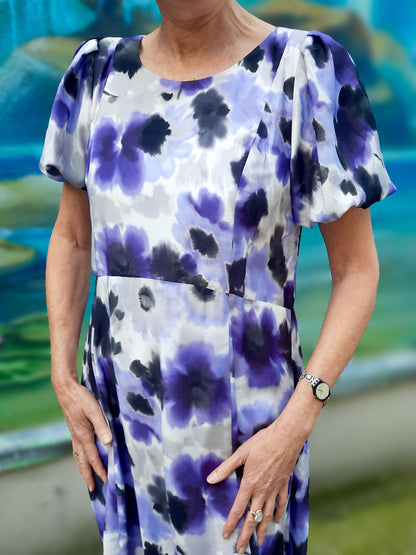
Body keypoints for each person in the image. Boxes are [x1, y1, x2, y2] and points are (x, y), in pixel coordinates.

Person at [39, 1, 395, 553]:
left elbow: (357, 271)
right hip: (125, 429)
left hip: (246, 436)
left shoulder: (303, 69)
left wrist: (296, 424)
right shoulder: (96, 74)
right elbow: (72, 237)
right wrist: (63, 376)